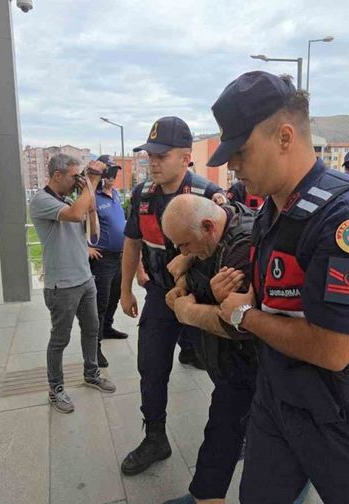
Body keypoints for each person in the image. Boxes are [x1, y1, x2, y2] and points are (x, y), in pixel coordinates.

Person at [208, 70, 349, 503]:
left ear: (285, 136)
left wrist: (241, 314)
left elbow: (333, 348)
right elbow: (275, 293)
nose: (232, 165)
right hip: (281, 401)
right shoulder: (275, 208)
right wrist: (246, 297)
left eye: (241, 151)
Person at [119, 116, 227, 476]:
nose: (153, 162)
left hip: (202, 300)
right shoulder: (143, 195)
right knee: (150, 367)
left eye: (161, 155)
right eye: (149, 154)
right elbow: (132, 241)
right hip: (160, 297)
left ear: (185, 157)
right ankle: (155, 438)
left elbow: (229, 247)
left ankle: (237, 431)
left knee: (225, 371)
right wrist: (124, 290)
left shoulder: (208, 196)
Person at [159, 194, 259, 504]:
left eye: (184, 245)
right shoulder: (214, 231)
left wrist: (186, 310)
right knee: (225, 430)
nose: (181, 251)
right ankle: (206, 494)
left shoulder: (242, 246)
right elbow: (200, 278)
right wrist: (188, 272)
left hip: (253, 365)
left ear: (208, 226)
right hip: (230, 365)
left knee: (231, 432)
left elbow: (238, 324)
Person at [29, 154, 117, 414]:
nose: (77, 179)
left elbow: (93, 233)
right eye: (73, 175)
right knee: (60, 339)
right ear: (57, 175)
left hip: (85, 279)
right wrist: (91, 182)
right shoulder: (41, 201)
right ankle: (55, 389)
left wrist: (90, 203)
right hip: (62, 286)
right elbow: (74, 214)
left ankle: (91, 374)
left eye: (81, 175)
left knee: (92, 329)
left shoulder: (69, 200)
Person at [88, 155, 129, 369]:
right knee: (100, 304)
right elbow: (77, 223)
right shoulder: (91, 196)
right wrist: (86, 247)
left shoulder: (114, 195)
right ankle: (94, 347)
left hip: (119, 257)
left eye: (115, 172)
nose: (114, 177)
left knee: (114, 297)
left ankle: (108, 328)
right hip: (102, 259)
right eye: (110, 172)